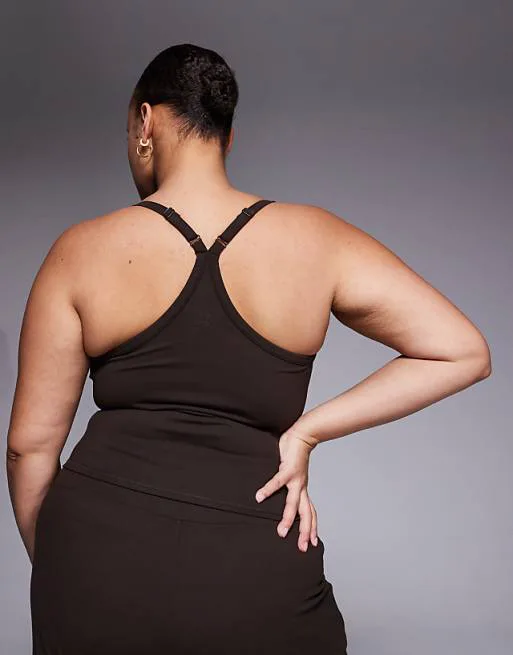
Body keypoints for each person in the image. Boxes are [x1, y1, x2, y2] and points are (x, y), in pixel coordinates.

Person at [6, 43, 491, 655]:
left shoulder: (80, 250)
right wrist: (308, 431)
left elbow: (28, 449)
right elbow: (462, 350)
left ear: (145, 120)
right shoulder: (317, 240)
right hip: (255, 567)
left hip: (93, 555)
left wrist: (64, 566)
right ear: (227, 139)